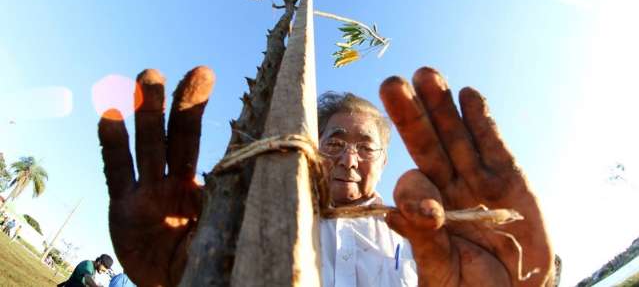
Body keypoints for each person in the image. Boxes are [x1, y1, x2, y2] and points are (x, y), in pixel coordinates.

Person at [99, 66, 555, 286]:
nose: (349, 159)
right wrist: (182, 274)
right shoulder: (256, 219)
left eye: (365, 147)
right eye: (334, 143)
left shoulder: (423, 242)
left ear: (384, 160)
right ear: (314, 150)